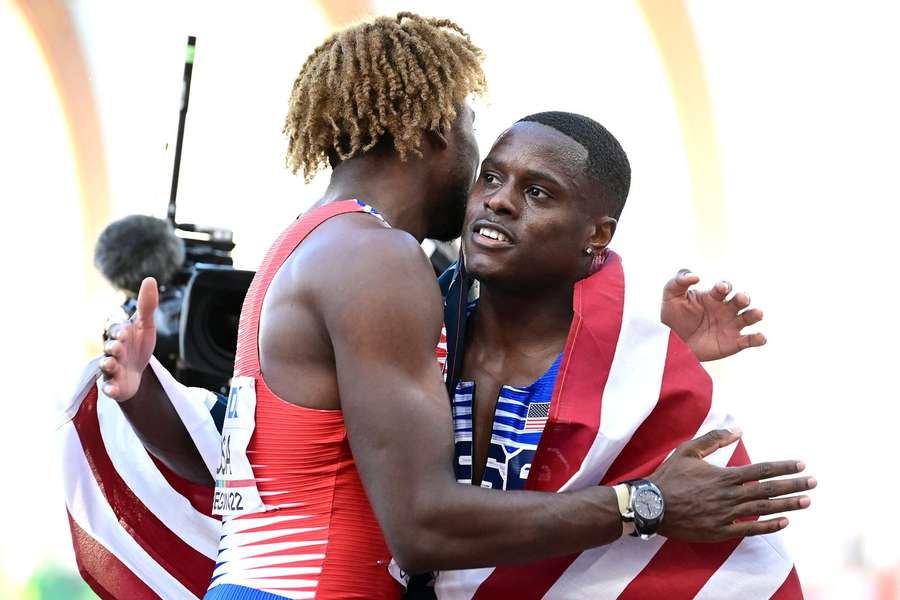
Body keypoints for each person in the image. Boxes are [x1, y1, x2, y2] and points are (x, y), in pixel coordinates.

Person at [92, 13, 812, 600]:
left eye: (531, 190)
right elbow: (422, 527)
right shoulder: (378, 257)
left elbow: (247, 473)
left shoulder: (303, 244)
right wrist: (647, 504)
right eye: (480, 146)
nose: (488, 188)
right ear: (437, 129)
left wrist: (637, 342)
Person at [431, 111, 805, 597]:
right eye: (493, 177)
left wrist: (645, 360)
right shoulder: (410, 328)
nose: (499, 200)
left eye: (537, 192)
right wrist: (645, 502)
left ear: (597, 235)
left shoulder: (641, 378)